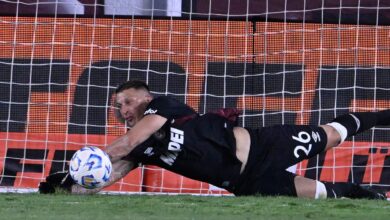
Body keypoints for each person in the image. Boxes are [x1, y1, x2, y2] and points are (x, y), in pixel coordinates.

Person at [39, 80, 390, 199]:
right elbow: (110, 176)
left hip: (264, 145)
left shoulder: (163, 107)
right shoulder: (140, 150)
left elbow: (126, 145)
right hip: (248, 181)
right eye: (118, 106)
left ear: (145, 98)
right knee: (322, 194)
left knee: (331, 135)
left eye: (127, 101)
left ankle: (383, 115)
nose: (123, 109)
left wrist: (88, 160)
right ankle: (371, 197)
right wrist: (68, 187)